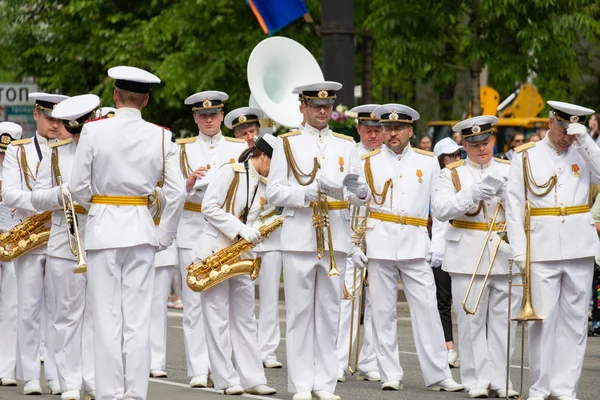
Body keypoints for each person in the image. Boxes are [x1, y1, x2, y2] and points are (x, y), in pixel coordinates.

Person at [70, 66, 185, 400]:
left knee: (106, 318)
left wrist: (101, 208)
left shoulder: (93, 132)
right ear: (146, 101)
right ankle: (135, 394)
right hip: (142, 230)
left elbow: (78, 188)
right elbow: (177, 192)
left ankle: (108, 393)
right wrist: (165, 232)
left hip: (104, 230)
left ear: (116, 97)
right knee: (138, 318)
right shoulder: (161, 135)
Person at [266, 81, 370, 400]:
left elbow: (357, 191)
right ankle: (300, 384)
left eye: (327, 106)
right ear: (303, 107)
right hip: (300, 236)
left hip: (335, 239)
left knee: (329, 314)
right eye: (316, 106)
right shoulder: (287, 144)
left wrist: (361, 194)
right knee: (299, 315)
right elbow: (273, 192)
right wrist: (304, 193)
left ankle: (325, 383)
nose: (322, 111)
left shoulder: (346, 144)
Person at [360, 104, 463, 393]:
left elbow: (440, 207)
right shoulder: (368, 161)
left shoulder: (428, 162)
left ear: (410, 131)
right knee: (381, 312)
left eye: (398, 129)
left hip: (417, 242)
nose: (392, 134)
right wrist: (356, 244)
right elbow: (358, 206)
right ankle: (389, 372)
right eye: (387, 129)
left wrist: (438, 245)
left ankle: (439, 373)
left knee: (428, 310)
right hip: (379, 241)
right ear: (381, 131)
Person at [506, 101, 600, 400]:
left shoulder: (584, 152)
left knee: (575, 321)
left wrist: (585, 139)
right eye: (563, 130)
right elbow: (513, 205)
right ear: (550, 123)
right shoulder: (526, 156)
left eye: (572, 132)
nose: (566, 138)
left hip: (579, 245)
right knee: (543, 321)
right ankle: (540, 387)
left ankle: (565, 388)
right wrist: (519, 250)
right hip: (542, 247)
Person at [433, 116, 520, 398]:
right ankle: (476, 380)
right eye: (474, 145)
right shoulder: (452, 174)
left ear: (493, 141)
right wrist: (470, 193)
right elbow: (441, 210)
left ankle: (501, 379)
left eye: (485, 142)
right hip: (466, 253)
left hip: (503, 251)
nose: (482, 149)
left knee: (504, 321)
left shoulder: (511, 169)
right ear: (464, 145)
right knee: (470, 320)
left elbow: (527, 209)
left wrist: (510, 198)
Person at [196, 134, 278, 395]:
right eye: (276, 163)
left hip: (241, 256)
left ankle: (253, 378)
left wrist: (254, 231)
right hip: (215, 252)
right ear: (263, 156)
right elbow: (209, 208)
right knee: (217, 317)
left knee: (245, 318)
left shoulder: (264, 183)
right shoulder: (230, 172)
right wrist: (241, 229)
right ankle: (226, 379)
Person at [31, 94, 100, 400]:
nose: (78, 135)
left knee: (98, 314)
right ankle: (70, 381)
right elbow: (36, 197)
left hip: (99, 236)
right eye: (74, 130)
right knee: (67, 315)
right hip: (65, 239)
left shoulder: (104, 151)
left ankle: (95, 378)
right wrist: (62, 194)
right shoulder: (56, 154)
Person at [176, 90, 246, 388]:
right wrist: (188, 183)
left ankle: (224, 368)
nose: (208, 119)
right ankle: (197, 368)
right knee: (194, 302)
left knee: (227, 304)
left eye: (213, 114)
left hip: (226, 231)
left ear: (221, 116)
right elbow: (170, 192)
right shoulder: (181, 149)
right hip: (192, 226)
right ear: (195, 117)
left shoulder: (239, 146)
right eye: (202, 115)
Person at [3, 92, 67, 395]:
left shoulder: (71, 149)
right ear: (36, 115)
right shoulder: (19, 151)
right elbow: (9, 194)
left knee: (59, 311)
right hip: (29, 237)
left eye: (59, 119)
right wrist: (42, 201)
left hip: (61, 236)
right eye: (49, 118)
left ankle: (56, 375)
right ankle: (30, 374)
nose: (55, 125)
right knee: (28, 308)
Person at [336, 104, 381, 383]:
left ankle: (370, 361)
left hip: (379, 236)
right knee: (346, 301)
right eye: (368, 130)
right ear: (359, 129)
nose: (374, 135)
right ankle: (339, 361)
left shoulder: (388, 159)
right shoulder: (348, 154)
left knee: (379, 303)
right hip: (351, 234)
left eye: (378, 130)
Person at [431, 137, 463, 369]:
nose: (457, 159)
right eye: (452, 156)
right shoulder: (435, 181)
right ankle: (448, 347)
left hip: (462, 245)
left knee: (465, 300)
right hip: (440, 246)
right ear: (442, 160)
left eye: (458, 155)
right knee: (443, 301)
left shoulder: (465, 177)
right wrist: (433, 250)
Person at [0, 122, 23, 387]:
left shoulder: (23, 165)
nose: (3, 158)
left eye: (7, 152)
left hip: (14, 241)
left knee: (11, 309)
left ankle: (6, 368)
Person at [149, 186, 179, 378]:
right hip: (131, 233)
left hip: (161, 235)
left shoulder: (168, 159)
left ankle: (155, 360)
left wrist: (165, 234)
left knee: (158, 307)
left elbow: (178, 194)